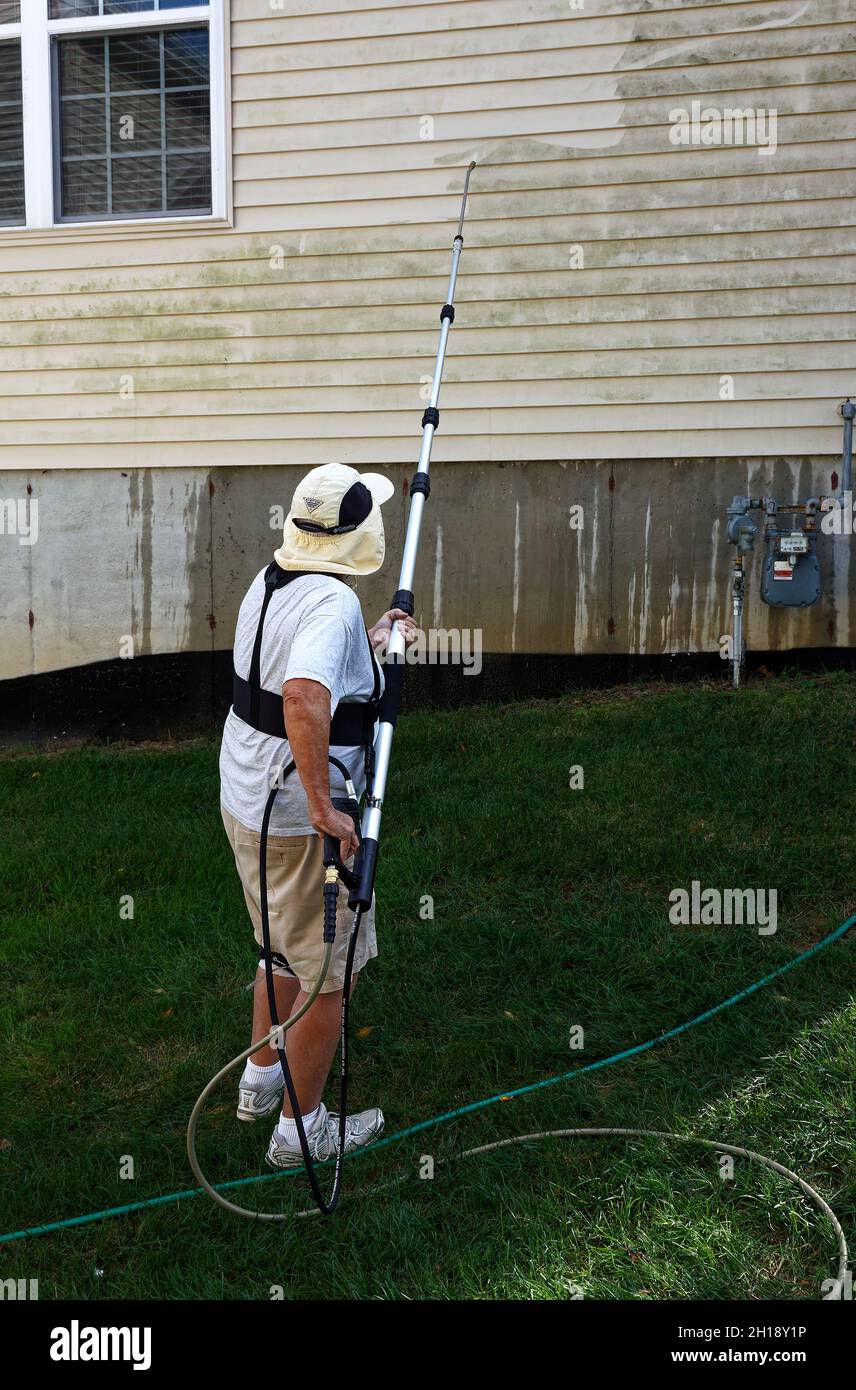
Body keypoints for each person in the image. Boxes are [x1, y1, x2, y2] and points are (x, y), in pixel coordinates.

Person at [219, 462, 416, 1169]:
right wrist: (322, 805)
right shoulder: (327, 605)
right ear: (358, 534)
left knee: (277, 945)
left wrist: (366, 641)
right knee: (330, 976)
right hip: (296, 822)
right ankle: (301, 1134)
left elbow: (293, 674)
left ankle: (261, 1079)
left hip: (247, 798)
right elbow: (303, 696)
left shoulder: (276, 578)